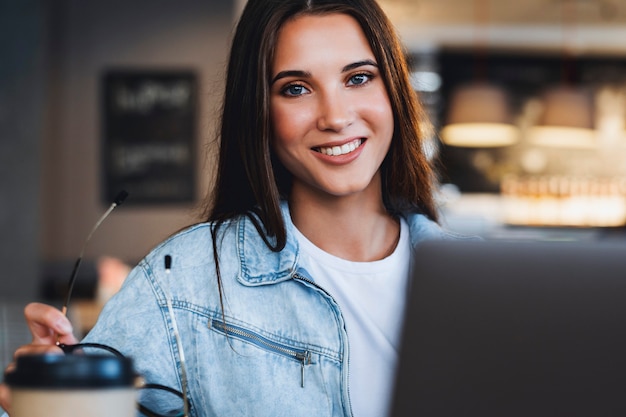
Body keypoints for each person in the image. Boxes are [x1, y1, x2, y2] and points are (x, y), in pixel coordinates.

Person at [1, 0, 471, 416]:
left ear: (393, 92)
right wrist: (45, 397)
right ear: (259, 111)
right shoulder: (183, 280)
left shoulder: (475, 284)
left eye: (359, 78)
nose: (335, 117)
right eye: (295, 88)